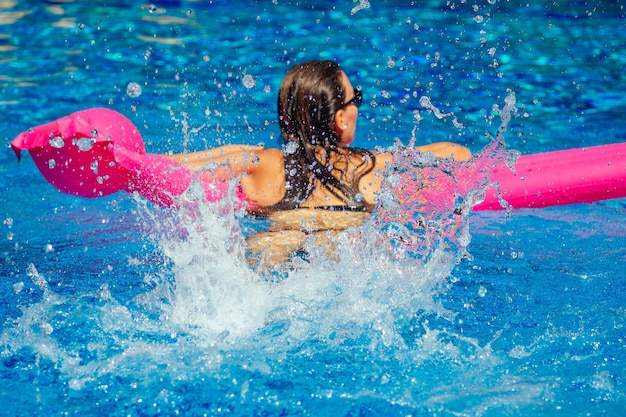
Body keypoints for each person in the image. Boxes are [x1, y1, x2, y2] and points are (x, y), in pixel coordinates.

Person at [166, 60, 471, 214]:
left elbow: (177, 169)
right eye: (357, 100)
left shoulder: (268, 165)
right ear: (340, 118)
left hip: (278, 247)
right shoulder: (371, 166)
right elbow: (456, 154)